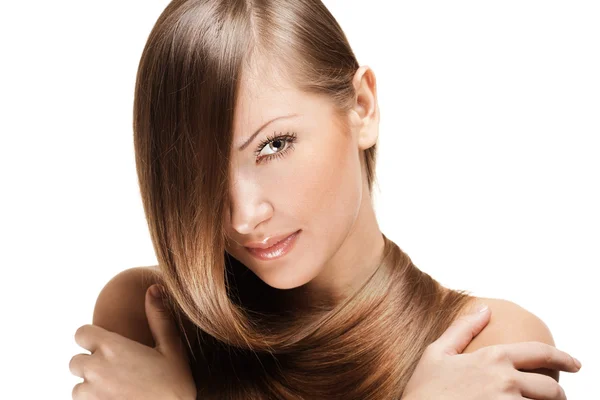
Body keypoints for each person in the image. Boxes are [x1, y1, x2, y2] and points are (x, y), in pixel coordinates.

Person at [69, 0, 582, 398]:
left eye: (273, 145)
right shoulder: (151, 322)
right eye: (197, 173)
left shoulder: (484, 347)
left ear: (362, 107)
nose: (245, 216)